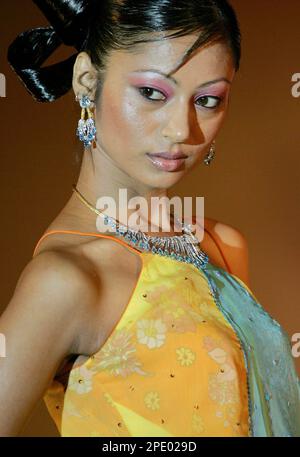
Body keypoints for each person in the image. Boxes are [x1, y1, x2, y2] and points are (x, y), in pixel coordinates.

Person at [1, 0, 299, 437]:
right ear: (87, 81)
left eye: (208, 100)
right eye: (152, 92)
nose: (181, 129)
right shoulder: (68, 278)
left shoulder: (220, 245)